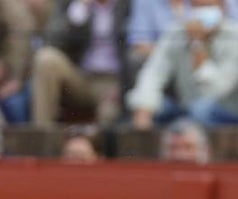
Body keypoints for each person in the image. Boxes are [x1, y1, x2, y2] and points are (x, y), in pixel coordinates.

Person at [127, 0, 238, 128]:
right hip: (186, 108)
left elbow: (215, 91)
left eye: (208, 6)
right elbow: (154, 73)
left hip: (225, 112)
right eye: (197, 6)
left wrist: (198, 44)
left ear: (223, 8)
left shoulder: (234, 37)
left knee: (201, 109)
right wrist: (144, 108)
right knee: (143, 103)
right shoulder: (176, 32)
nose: (202, 12)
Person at [32, 0, 134, 126]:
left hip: (113, 82)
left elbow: (138, 49)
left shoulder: (129, 4)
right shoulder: (70, 3)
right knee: (46, 58)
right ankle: (43, 134)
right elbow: (51, 42)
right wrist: (77, 12)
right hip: (80, 76)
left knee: (110, 113)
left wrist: (123, 86)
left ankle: (92, 144)